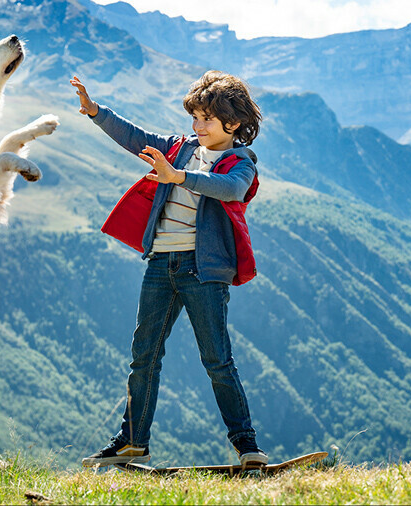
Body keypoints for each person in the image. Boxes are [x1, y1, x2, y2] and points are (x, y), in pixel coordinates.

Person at [71, 71, 267, 467]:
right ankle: (132, 441)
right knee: (144, 356)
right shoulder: (181, 147)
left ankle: (247, 446)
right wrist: (95, 111)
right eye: (195, 117)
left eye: (207, 119)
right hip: (161, 262)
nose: (198, 126)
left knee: (217, 359)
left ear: (234, 124)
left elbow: (231, 190)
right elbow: (135, 138)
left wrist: (177, 177)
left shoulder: (240, 161)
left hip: (203, 270)